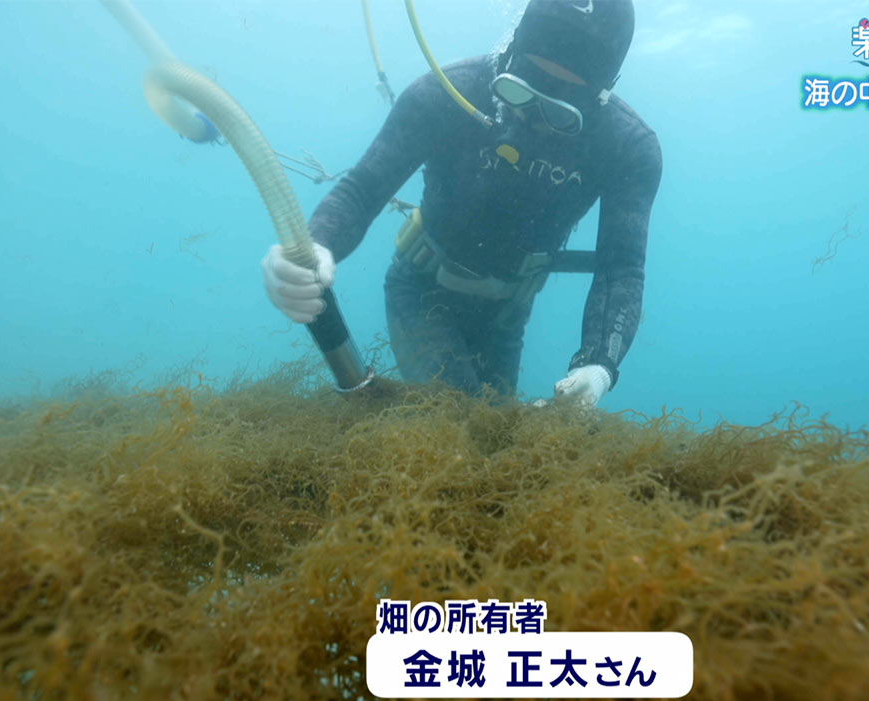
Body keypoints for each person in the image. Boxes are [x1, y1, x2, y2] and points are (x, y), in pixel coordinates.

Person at [263, 0, 661, 408]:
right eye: (520, 88)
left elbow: (621, 269)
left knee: (495, 433)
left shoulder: (627, 149)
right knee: (464, 420)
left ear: (599, 98)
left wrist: (597, 366)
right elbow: (362, 189)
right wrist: (313, 247)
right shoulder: (446, 93)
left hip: (507, 317)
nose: (533, 119)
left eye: (561, 112)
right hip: (421, 291)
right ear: (509, 55)